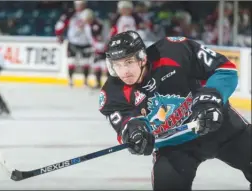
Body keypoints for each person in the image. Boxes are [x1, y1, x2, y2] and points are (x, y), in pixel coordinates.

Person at [99, 31, 251, 190]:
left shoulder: (175, 51)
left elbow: (225, 70)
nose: (124, 71)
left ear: (142, 58)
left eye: (129, 62)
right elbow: (126, 125)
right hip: (174, 148)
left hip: (219, 126)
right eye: (117, 65)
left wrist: (209, 100)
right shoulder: (112, 94)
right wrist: (136, 132)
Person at [55, 1, 92, 87]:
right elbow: (60, 24)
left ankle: (85, 81)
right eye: (78, 5)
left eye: (81, 5)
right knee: (71, 61)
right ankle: (70, 79)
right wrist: (59, 35)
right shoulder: (70, 14)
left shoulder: (88, 13)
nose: (79, 6)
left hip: (86, 41)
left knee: (85, 62)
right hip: (73, 41)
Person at [81, 8, 106, 89]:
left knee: (105, 66)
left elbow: (99, 39)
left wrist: (98, 47)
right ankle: (98, 83)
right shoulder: (88, 26)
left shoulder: (96, 25)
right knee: (97, 65)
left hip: (103, 47)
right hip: (97, 47)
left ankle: (109, 85)